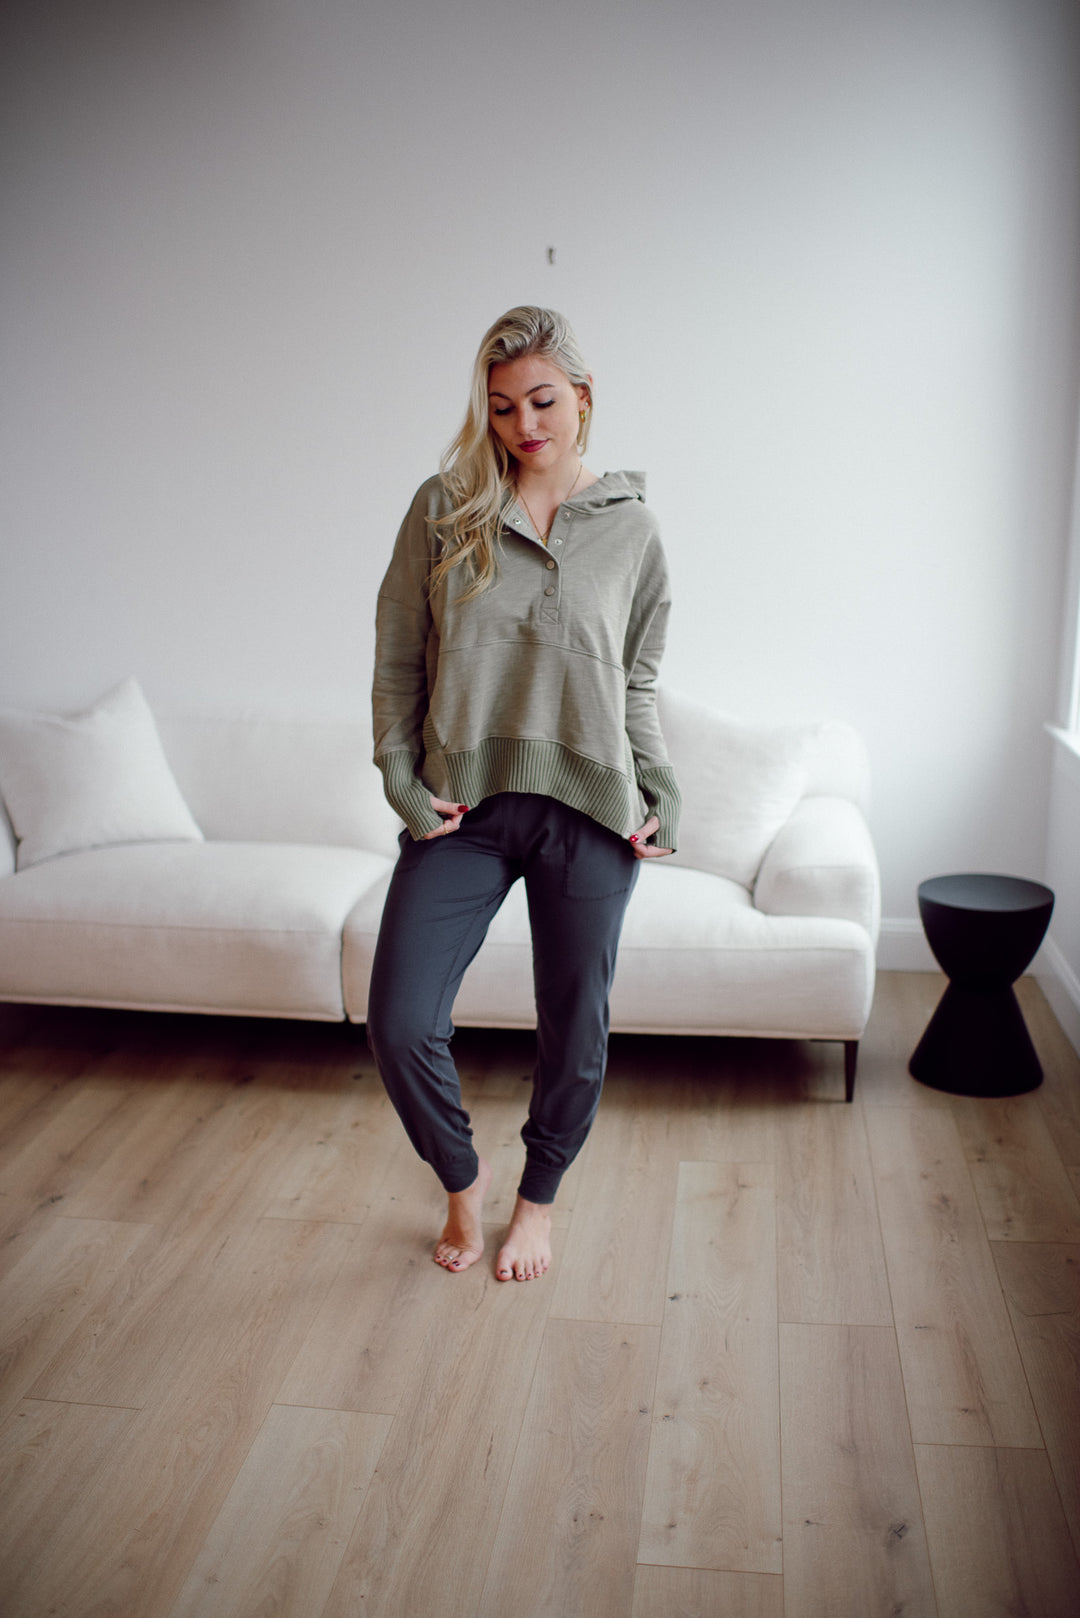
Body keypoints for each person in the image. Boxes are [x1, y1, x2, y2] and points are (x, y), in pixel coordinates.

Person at [367, 305, 680, 1282]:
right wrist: (401, 779)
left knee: (574, 1029)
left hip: (590, 809)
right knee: (400, 1020)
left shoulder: (632, 529)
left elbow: (636, 682)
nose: (523, 425)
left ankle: (537, 1204)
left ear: (582, 397)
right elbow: (397, 658)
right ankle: (465, 1182)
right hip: (463, 808)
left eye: (542, 401)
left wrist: (660, 783)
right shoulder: (445, 506)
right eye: (501, 407)